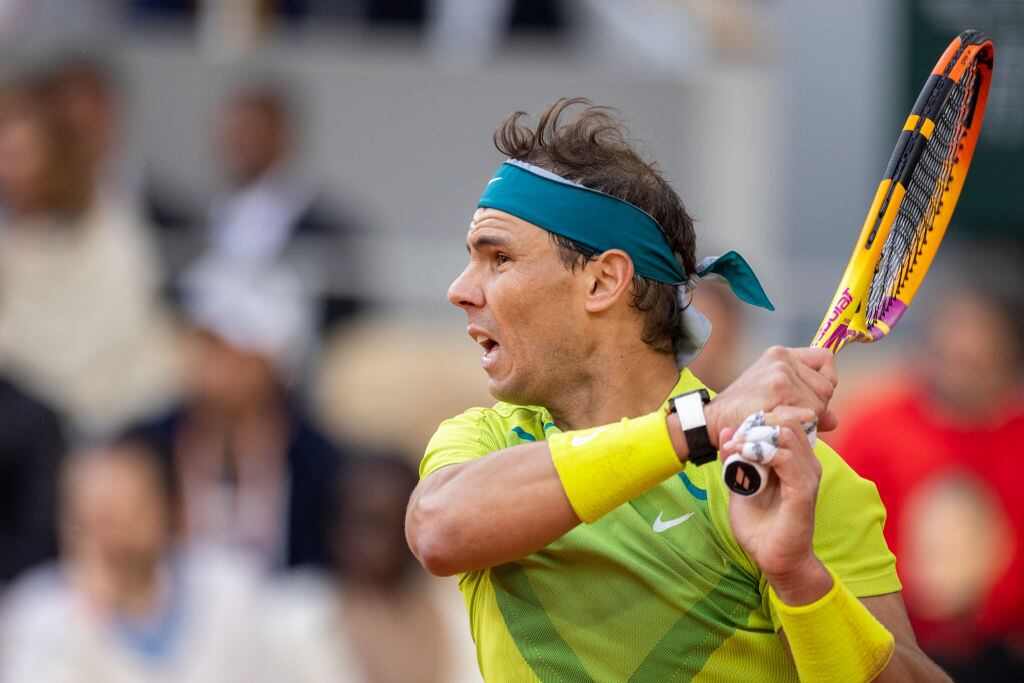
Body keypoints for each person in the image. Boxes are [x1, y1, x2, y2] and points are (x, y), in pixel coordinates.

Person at [405, 99, 948, 681]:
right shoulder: (481, 441)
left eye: (500, 257)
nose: (460, 290)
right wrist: (699, 429)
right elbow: (440, 530)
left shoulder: (802, 482)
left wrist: (798, 578)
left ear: (603, 280)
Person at [832, 251, 1024, 678]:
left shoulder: (1017, 440)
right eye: (954, 328)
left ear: (1009, 349)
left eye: (980, 334)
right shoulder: (876, 428)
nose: (962, 347)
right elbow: (838, 537)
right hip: (888, 646)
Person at [126, 259, 346, 571]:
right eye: (201, 340)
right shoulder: (144, 447)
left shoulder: (321, 463)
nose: (205, 359)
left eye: (223, 346)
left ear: (272, 361)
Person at [0, 80, 181, 439]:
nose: (8, 168)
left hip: (107, 424)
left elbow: (126, 333)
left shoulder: (113, 236)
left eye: (21, 154)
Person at [0, 439, 264, 683]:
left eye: (123, 515)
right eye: (90, 521)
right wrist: (88, 621)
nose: (109, 538)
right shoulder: (36, 613)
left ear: (166, 510)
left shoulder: (228, 587)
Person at [262, 455, 479, 682]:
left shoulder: (462, 616)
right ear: (334, 527)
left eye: (397, 525)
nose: (383, 544)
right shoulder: (292, 621)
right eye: (367, 525)